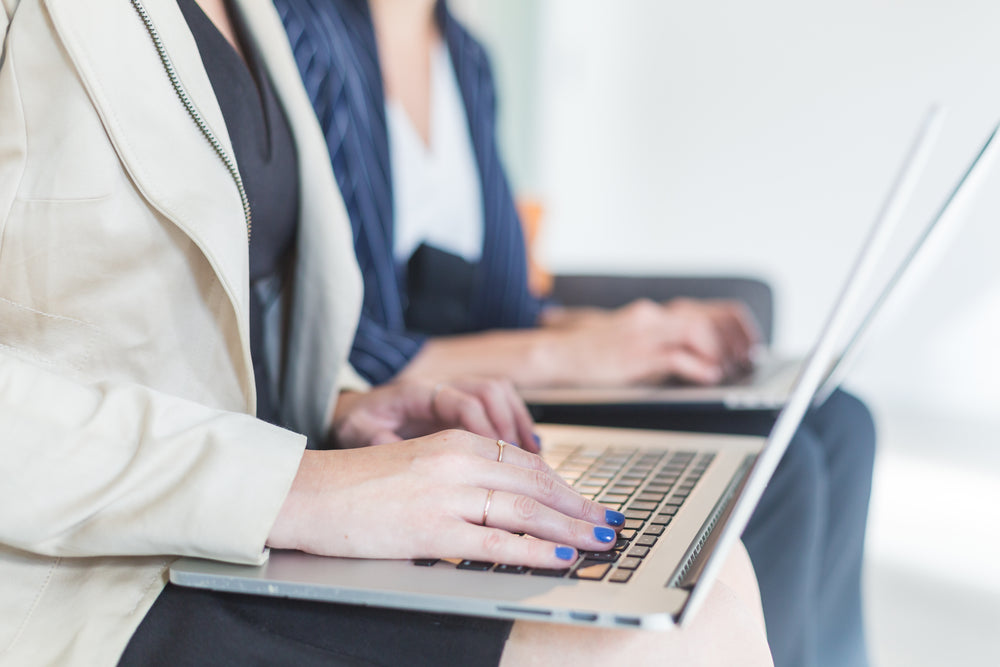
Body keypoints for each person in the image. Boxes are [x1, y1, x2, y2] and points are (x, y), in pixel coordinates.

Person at [0, 0, 772, 664]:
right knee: (657, 643)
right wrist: (297, 489)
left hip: (238, 532)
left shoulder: (261, 15)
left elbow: (222, 316)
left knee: (711, 570)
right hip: (82, 573)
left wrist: (342, 406)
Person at [272, 1, 877, 665]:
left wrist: (633, 330)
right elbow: (336, 345)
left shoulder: (468, 58)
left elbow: (504, 302)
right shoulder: (300, 32)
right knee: (786, 466)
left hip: (498, 380)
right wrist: (565, 352)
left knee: (840, 422)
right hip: (425, 403)